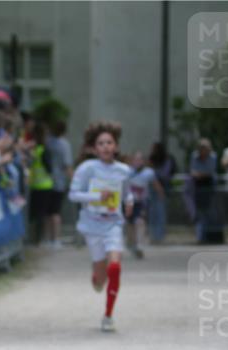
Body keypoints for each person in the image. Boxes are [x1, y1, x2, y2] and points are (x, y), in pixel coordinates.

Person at [69, 122, 133, 332]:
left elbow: (127, 192)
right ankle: (97, 275)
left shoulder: (124, 170)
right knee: (100, 279)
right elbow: (73, 194)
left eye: (109, 142)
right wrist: (97, 196)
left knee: (114, 267)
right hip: (92, 224)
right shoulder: (87, 169)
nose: (105, 146)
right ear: (94, 148)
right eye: (101, 143)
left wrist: (130, 202)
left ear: (116, 146)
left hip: (113, 223)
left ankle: (108, 315)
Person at [126, 151, 160, 259]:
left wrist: (161, 193)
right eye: (135, 159)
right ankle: (132, 244)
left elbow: (155, 184)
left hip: (142, 202)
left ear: (143, 161)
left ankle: (140, 245)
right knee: (130, 225)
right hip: (129, 202)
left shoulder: (149, 172)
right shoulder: (127, 171)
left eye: (140, 159)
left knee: (140, 222)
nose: (137, 161)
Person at [45, 120, 73, 249]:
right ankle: (55, 239)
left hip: (45, 181)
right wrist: (73, 180)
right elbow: (67, 165)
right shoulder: (64, 145)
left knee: (48, 212)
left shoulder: (47, 142)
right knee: (56, 212)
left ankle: (48, 238)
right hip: (58, 181)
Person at [190, 138, 220, 243]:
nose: (203, 150)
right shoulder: (194, 156)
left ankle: (209, 236)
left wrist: (200, 174)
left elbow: (210, 172)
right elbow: (193, 172)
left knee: (210, 212)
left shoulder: (213, 156)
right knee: (200, 212)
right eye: (201, 148)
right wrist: (200, 175)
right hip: (198, 186)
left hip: (209, 186)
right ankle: (200, 237)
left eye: (205, 148)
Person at [147, 142, 175, 244]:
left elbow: (165, 174)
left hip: (164, 187)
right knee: (152, 212)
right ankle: (153, 235)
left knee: (161, 212)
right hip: (152, 188)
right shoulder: (151, 159)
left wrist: (154, 173)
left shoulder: (167, 159)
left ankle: (160, 236)